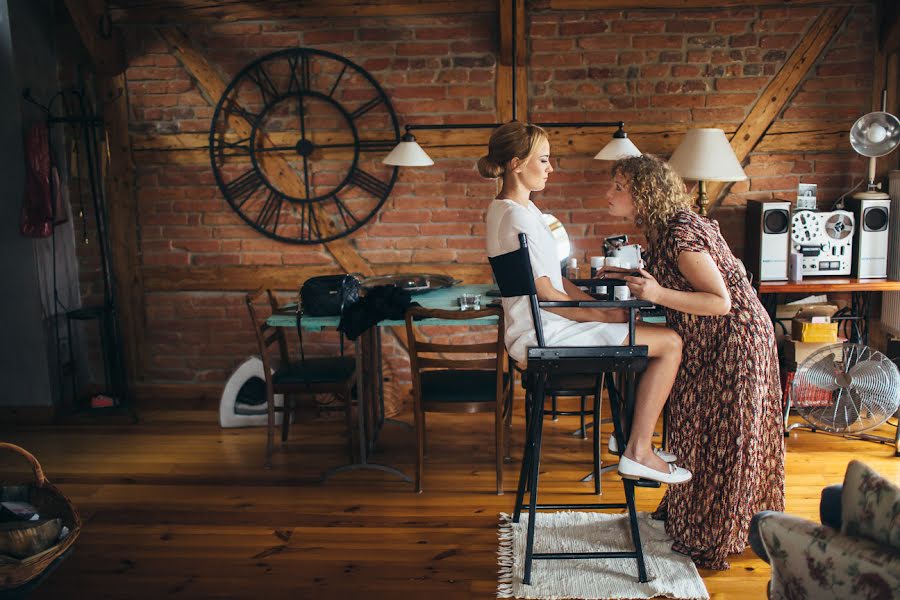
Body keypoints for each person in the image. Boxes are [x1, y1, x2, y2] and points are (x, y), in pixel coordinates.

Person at [602, 154, 785, 570]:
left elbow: (720, 301)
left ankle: (715, 533)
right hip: (706, 344)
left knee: (724, 438)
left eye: (618, 187)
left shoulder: (680, 234)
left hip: (735, 343)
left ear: (644, 195)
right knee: (696, 430)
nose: (608, 194)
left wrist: (657, 295)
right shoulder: (664, 230)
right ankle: (690, 519)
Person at [481, 122, 691, 485]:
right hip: (544, 335)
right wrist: (602, 313)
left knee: (648, 334)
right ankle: (638, 452)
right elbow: (546, 294)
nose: (550, 168)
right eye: (543, 160)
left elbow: (556, 280)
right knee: (670, 343)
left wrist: (597, 306)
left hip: (539, 327)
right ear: (516, 164)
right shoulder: (517, 216)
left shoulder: (517, 210)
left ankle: (627, 437)